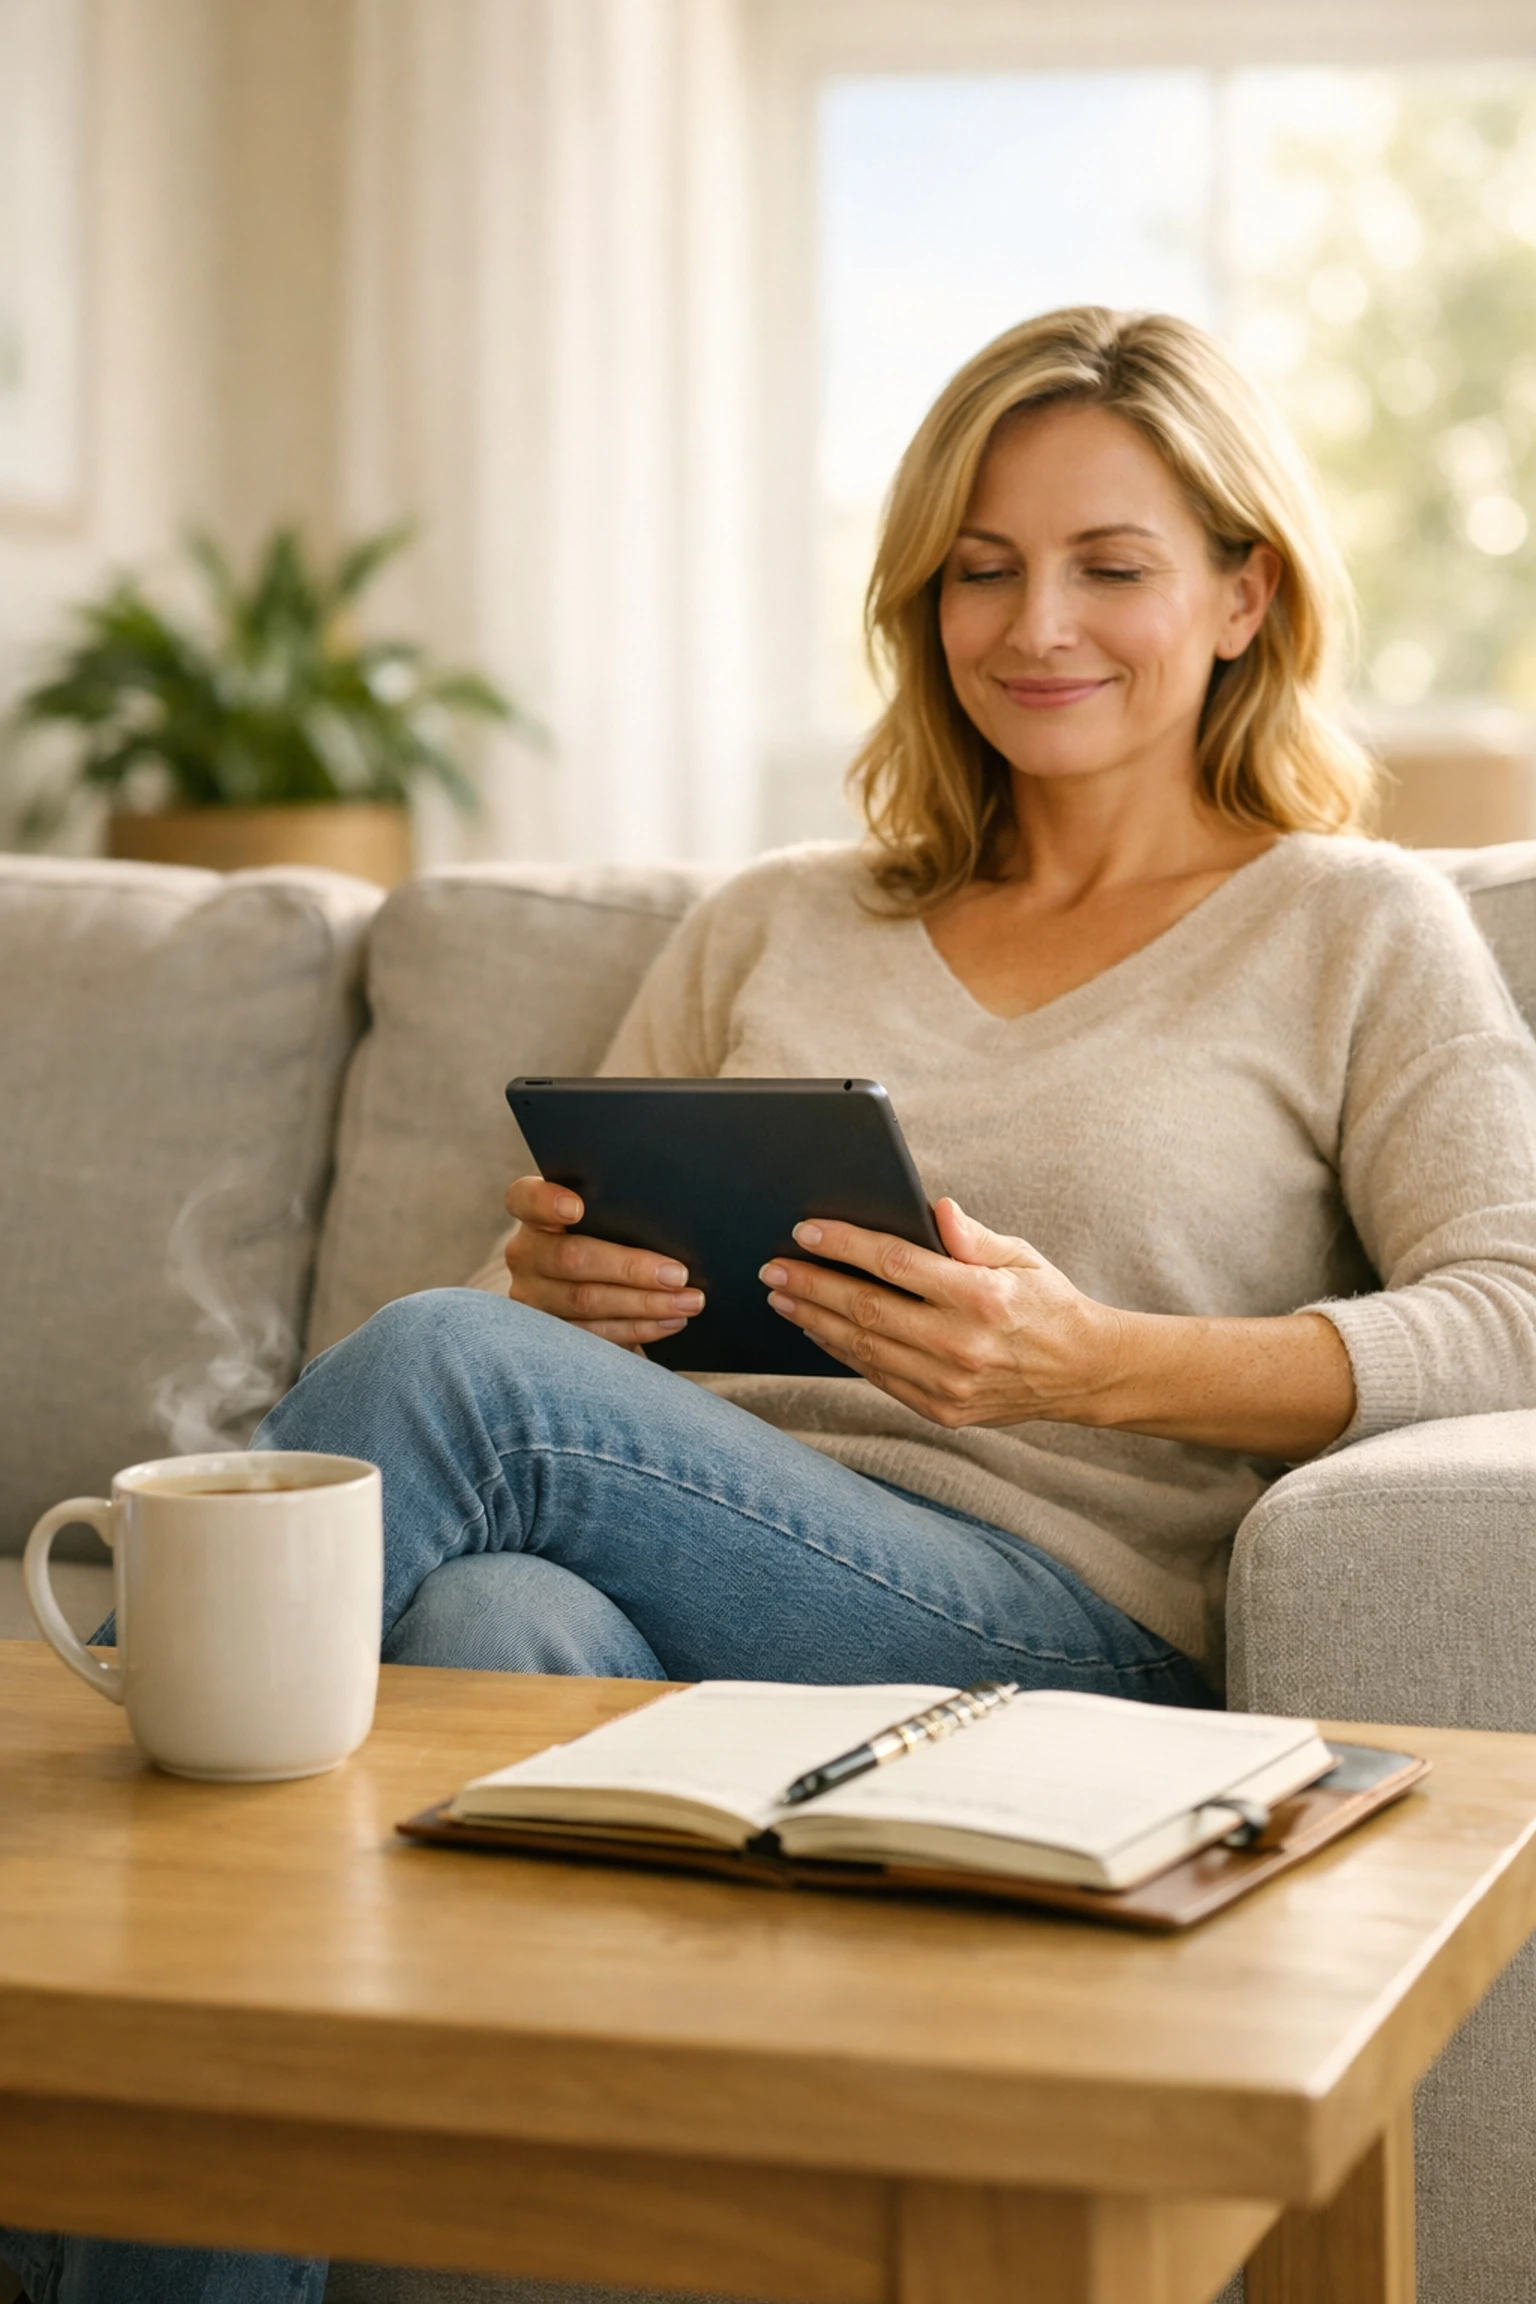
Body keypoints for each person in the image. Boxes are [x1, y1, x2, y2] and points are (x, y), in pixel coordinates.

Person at [9, 303, 1536, 2304]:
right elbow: (518, 1328)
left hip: (1061, 1637)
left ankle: (57, 1866)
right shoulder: (778, 919)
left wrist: (1089, 1360)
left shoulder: (1355, 923)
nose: (1035, 622)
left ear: (1246, 592)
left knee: (449, 1388)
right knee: (491, 1620)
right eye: (979, 568)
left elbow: (1510, 1312)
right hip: (682, 1585)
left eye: (1111, 564)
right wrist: (559, 1284)